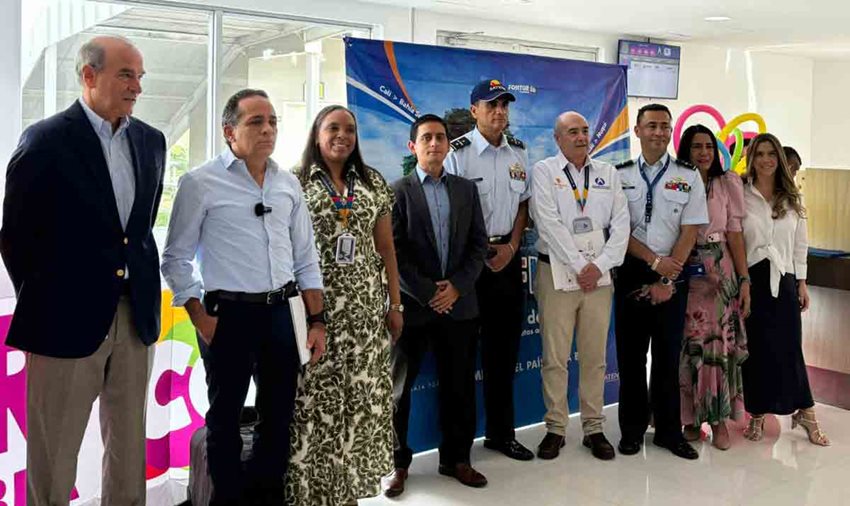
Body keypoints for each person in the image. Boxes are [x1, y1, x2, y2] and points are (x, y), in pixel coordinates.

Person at [0, 36, 164, 505]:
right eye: (125, 74)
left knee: (130, 451)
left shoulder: (150, 141)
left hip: (136, 319)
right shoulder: (45, 140)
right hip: (62, 323)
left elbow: (140, 229)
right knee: (54, 459)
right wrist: (46, 305)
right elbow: (16, 237)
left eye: (139, 76)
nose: (136, 86)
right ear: (89, 76)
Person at [162, 88, 326, 505]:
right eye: (256, 121)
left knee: (277, 418)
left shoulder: (288, 183)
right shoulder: (200, 182)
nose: (268, 129)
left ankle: (268, 497)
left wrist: (318, 321)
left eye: (272, 121)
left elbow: (306, 257)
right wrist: (201, 317)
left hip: (281, 315)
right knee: (225, 418)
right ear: (229, 130)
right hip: (226, 315)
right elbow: (176, 258)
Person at [286, 105, 403, 506]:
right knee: (316, 404)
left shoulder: (372, 182)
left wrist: (396, 303)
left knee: (360, 402)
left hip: (367, 314)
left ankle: (349, 491)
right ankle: (314, 493)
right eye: (333, 127)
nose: (342, 135)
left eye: (349, 129)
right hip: (316, 314)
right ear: (316, 134)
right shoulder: (294, 181)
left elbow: (385, 248)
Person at [384, 114, 489, 496]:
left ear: (448, 145)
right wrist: (430, 291)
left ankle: (457, 459)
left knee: (459, 385)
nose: (434, 144)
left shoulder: (465, 190)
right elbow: (394, 251)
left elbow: (479, 245)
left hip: (459, 306)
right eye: (426, 138)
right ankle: (397, 464)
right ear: (413, 146)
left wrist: (457, 288)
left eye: (440, 138)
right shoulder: (397, 191)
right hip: (413, 307)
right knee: (399, 390)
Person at [529, 112, 629, 461]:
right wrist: (577, 264)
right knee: (555, 357)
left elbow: (621, 225)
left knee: (594, 357)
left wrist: (597, 267)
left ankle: (593, 427)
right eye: (573, 132)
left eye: (585, 131)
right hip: (556, 274)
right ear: (558, 138)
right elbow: (546, 221)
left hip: (598, 278)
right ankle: (555, 428)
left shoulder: (608, 173)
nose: (582, 136)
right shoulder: (544, 171)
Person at [445, 78, 534, 461]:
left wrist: (512, 247)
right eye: (491, 105)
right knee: (461, 360)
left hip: (508, 262)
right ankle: (458, 449)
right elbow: (447, 212)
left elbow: (523, 206)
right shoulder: (457, 154)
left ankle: (501, 434)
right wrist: (480, 254)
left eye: (504, 105)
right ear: (474, 111)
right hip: (469, 267)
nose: (499, 112)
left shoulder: (518, 153)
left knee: (503, 355)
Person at [614, 104, 708, 460]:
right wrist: (653, 261)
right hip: (632, 272)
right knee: (631, 357)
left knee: (668, 358)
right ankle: (632, 430)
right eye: (651, 125)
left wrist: (669, 272)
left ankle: (668, 432)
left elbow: (691, 228)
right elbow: (617, 229)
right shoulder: (618, 173)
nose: (658, 132)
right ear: (637, 131)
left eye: (665, 126)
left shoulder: (688, 174)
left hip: (675, 270)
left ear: (671, 132)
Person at [740, 133, 829, 446]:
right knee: (755, 351)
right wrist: (742, 282)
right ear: (752, 158)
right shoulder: (741, 192)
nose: (765, 159)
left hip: (785, 281)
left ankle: (806, 412)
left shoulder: (791, 197)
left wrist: (802, 282)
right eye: (760, 153)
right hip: (752, 280)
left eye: (771, 154)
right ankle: (757, 414)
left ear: (779, 158)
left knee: (790, 349)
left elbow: (799, 243)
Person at [676, 124, 750, 451]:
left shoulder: (727, 183)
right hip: (687, 269)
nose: (704, 152)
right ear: (685, 151)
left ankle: (718, 419)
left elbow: (734, 233)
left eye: (708, 146)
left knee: (717, 347)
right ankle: (690, 418)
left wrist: (744, 279)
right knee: (690, 345)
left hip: (722, 270)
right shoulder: (676, 182)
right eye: (696, 147)